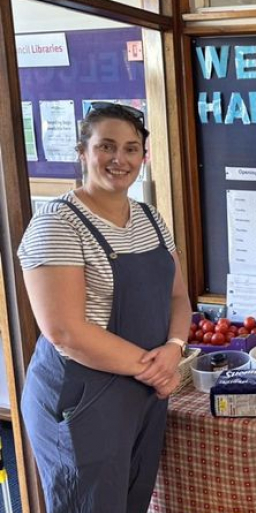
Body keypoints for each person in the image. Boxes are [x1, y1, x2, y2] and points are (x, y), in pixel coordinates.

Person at [18, 102, 192, 513]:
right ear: (83, 151)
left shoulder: (150, 217)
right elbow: (65, 331)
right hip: (84, 398)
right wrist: (157, 368)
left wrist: (175, 347)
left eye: (132, 149)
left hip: (144, 392)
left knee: (132, 501)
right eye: (107, 146)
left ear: (143, 157)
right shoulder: (57, 223)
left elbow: (178, 297)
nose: (120, 159)